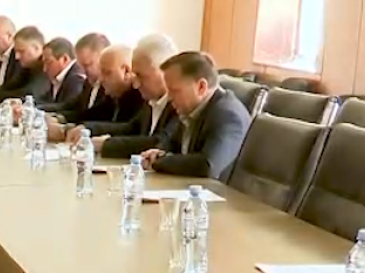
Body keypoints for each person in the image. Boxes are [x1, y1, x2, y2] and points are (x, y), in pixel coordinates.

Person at [141, 51, 250, 181]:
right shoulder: (192, 108)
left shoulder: (228, 115)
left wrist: (160, 161)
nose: (169, 98)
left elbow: (206, 165)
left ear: (201, 87)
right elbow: (172, 143)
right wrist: (157, 152)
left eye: (174, 91)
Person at [67, 36, 180, 158]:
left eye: (141, 76)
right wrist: (88, 129)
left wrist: (106, 144)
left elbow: (160, 142)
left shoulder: (179, 104)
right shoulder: (151, 101)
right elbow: (130, 128)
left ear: (165, 72)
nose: (135, 84)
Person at [56, 33, 111, 123]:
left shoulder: (111, 88)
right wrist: (56, 117)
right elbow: (73, 108)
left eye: (88, 65)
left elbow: (97, 117)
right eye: (81, 65)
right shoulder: (88, 83)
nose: (84, 71)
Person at [0, 26, 51, 102]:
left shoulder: (47, 66)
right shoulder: (29, 66)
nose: (17, 57)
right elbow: (10, 86)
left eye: (22, 51)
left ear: (37, 48)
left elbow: (29, 94)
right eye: (16, 51)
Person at [36, 37, 87, 113]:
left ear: (64, 59)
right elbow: (44, 99)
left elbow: (68, 107)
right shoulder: (57, 78)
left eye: (49, 62)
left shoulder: (77, 78)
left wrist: (35, 108)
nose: (45, 69)